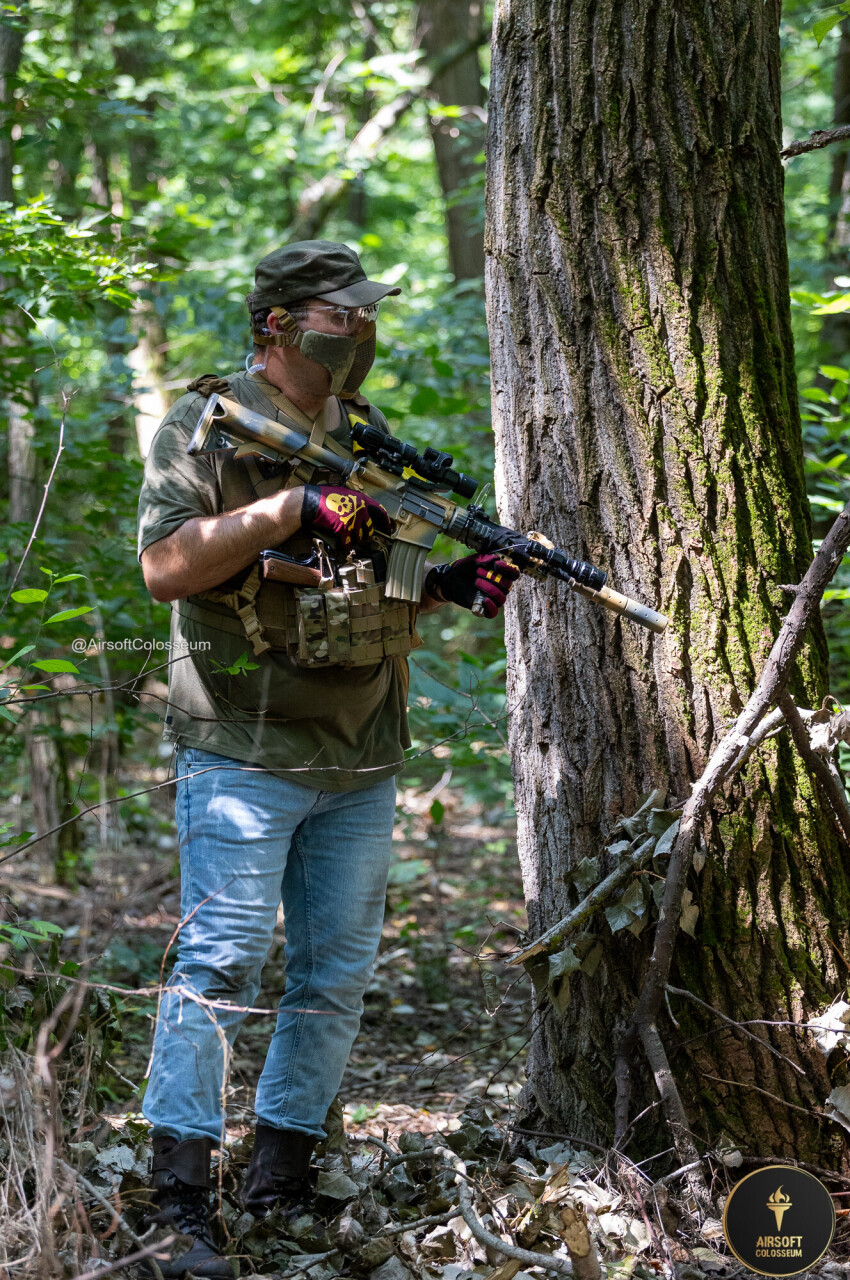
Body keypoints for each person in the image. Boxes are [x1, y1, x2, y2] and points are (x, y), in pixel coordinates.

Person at [136, 240, 518, 1277]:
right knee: (218, 966)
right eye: (338, 314)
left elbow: (373, 590)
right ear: (277, 324)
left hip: (361, 756)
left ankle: (282, 1181)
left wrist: (450, 585)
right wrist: (291, 506)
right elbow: (164, 568)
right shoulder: (206, 424)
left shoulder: (365, 433)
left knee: (334, 978)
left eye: (365, 313)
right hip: (243, 748)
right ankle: (179, 1203)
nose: (359, 330)